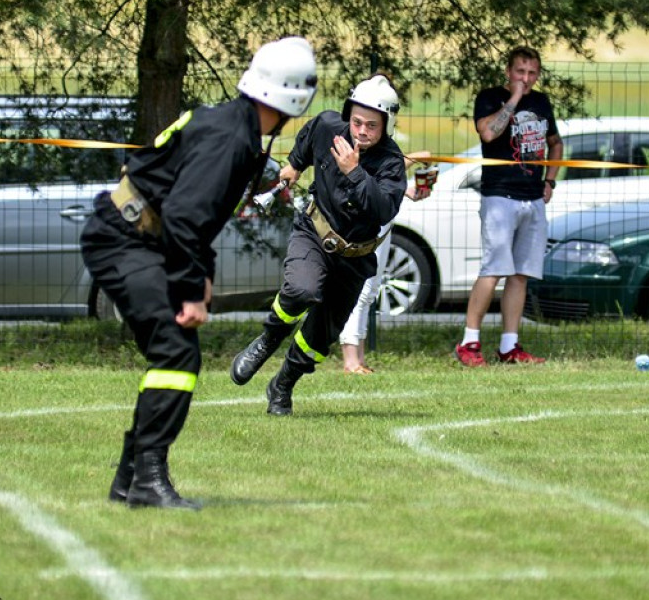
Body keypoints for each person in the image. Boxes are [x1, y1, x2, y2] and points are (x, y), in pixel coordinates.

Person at [80, 37, 317, 509]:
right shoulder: (234, 138)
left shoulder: (233, 125)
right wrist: (191, 290)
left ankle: (132, 479)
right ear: (296, 98)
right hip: (125, 238)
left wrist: (199, 273)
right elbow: (187, 216)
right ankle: (145, 479)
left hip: (139, 236)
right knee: (176, 352)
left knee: (174, 354)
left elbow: (191, 213)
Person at [230, 74, 408, 414]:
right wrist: (295, 164)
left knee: (320, 336)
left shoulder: (391, 163)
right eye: (356, 122)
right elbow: (310, 134)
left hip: (357, 256)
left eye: (372, 125)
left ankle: (282, 385)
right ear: (347, 116)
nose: (362, 131)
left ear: (387, 125)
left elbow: (384, 209)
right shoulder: (329, 125)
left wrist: (355, 172)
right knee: (300, 290)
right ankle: (267, 340)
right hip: (314, 232)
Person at [455, 46, 563, 367]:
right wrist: (513, 100)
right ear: (508, 71)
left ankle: (509, 346)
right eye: (520, 72)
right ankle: (469, 343)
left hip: (533, 197)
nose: (526, 79)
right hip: (500, 197)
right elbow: (488, 133)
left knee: (520, 274)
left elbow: (555, 143)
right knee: (494, 268)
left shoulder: (542, 102)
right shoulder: (489, 98)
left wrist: (550, 181)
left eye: (532, 74)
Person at [339, 155, 433, 375]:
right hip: (366, 220)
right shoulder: (369, 136)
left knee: (370, 291)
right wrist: (416, 157)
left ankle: (358, 359)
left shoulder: (383, 140)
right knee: (361, 290)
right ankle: (350, 360)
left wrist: (406, 191)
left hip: (383, 219)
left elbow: (385, 179)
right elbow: (376, 170)